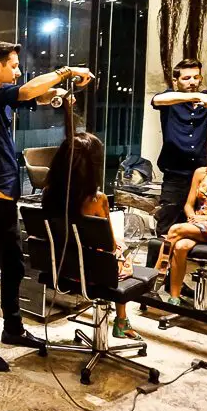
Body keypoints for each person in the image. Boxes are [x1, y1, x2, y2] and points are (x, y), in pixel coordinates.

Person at [0, 41, 92, 372]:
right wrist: (67, 71)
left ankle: (13, 329)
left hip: (7, 201)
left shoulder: (0, 102)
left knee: (15, 268)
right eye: (14, 65)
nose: (17, 71)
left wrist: (59, 96)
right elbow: (26, 91)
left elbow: (34, 96)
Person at [42, 132, 142, 339]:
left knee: (110, 254)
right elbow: (109, 245)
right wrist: (124, 256)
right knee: (121, 252)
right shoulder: (98, 200)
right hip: (94, 273)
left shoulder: (48, 193)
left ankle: (121, 320)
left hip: (61, 269)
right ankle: (121, 321)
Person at [161, 127, 207, 306]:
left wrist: (205, 220)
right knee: (180, 245)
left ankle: (155, 276)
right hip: (199, 225)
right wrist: (193, 217)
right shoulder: (202, 172)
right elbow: (188, 204)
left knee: (175, 229)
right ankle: (174, 297)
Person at [152, 59, 207, 237]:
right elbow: (157, 99)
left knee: (195, 226)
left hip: (200, 174)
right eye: (187, 78)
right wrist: (197, 97)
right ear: (176, 81)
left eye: (196, 77)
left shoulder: (205, 100)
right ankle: (156, 264)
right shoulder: (170, 98)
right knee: (166, 228)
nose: (192, 82)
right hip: (175, 175)